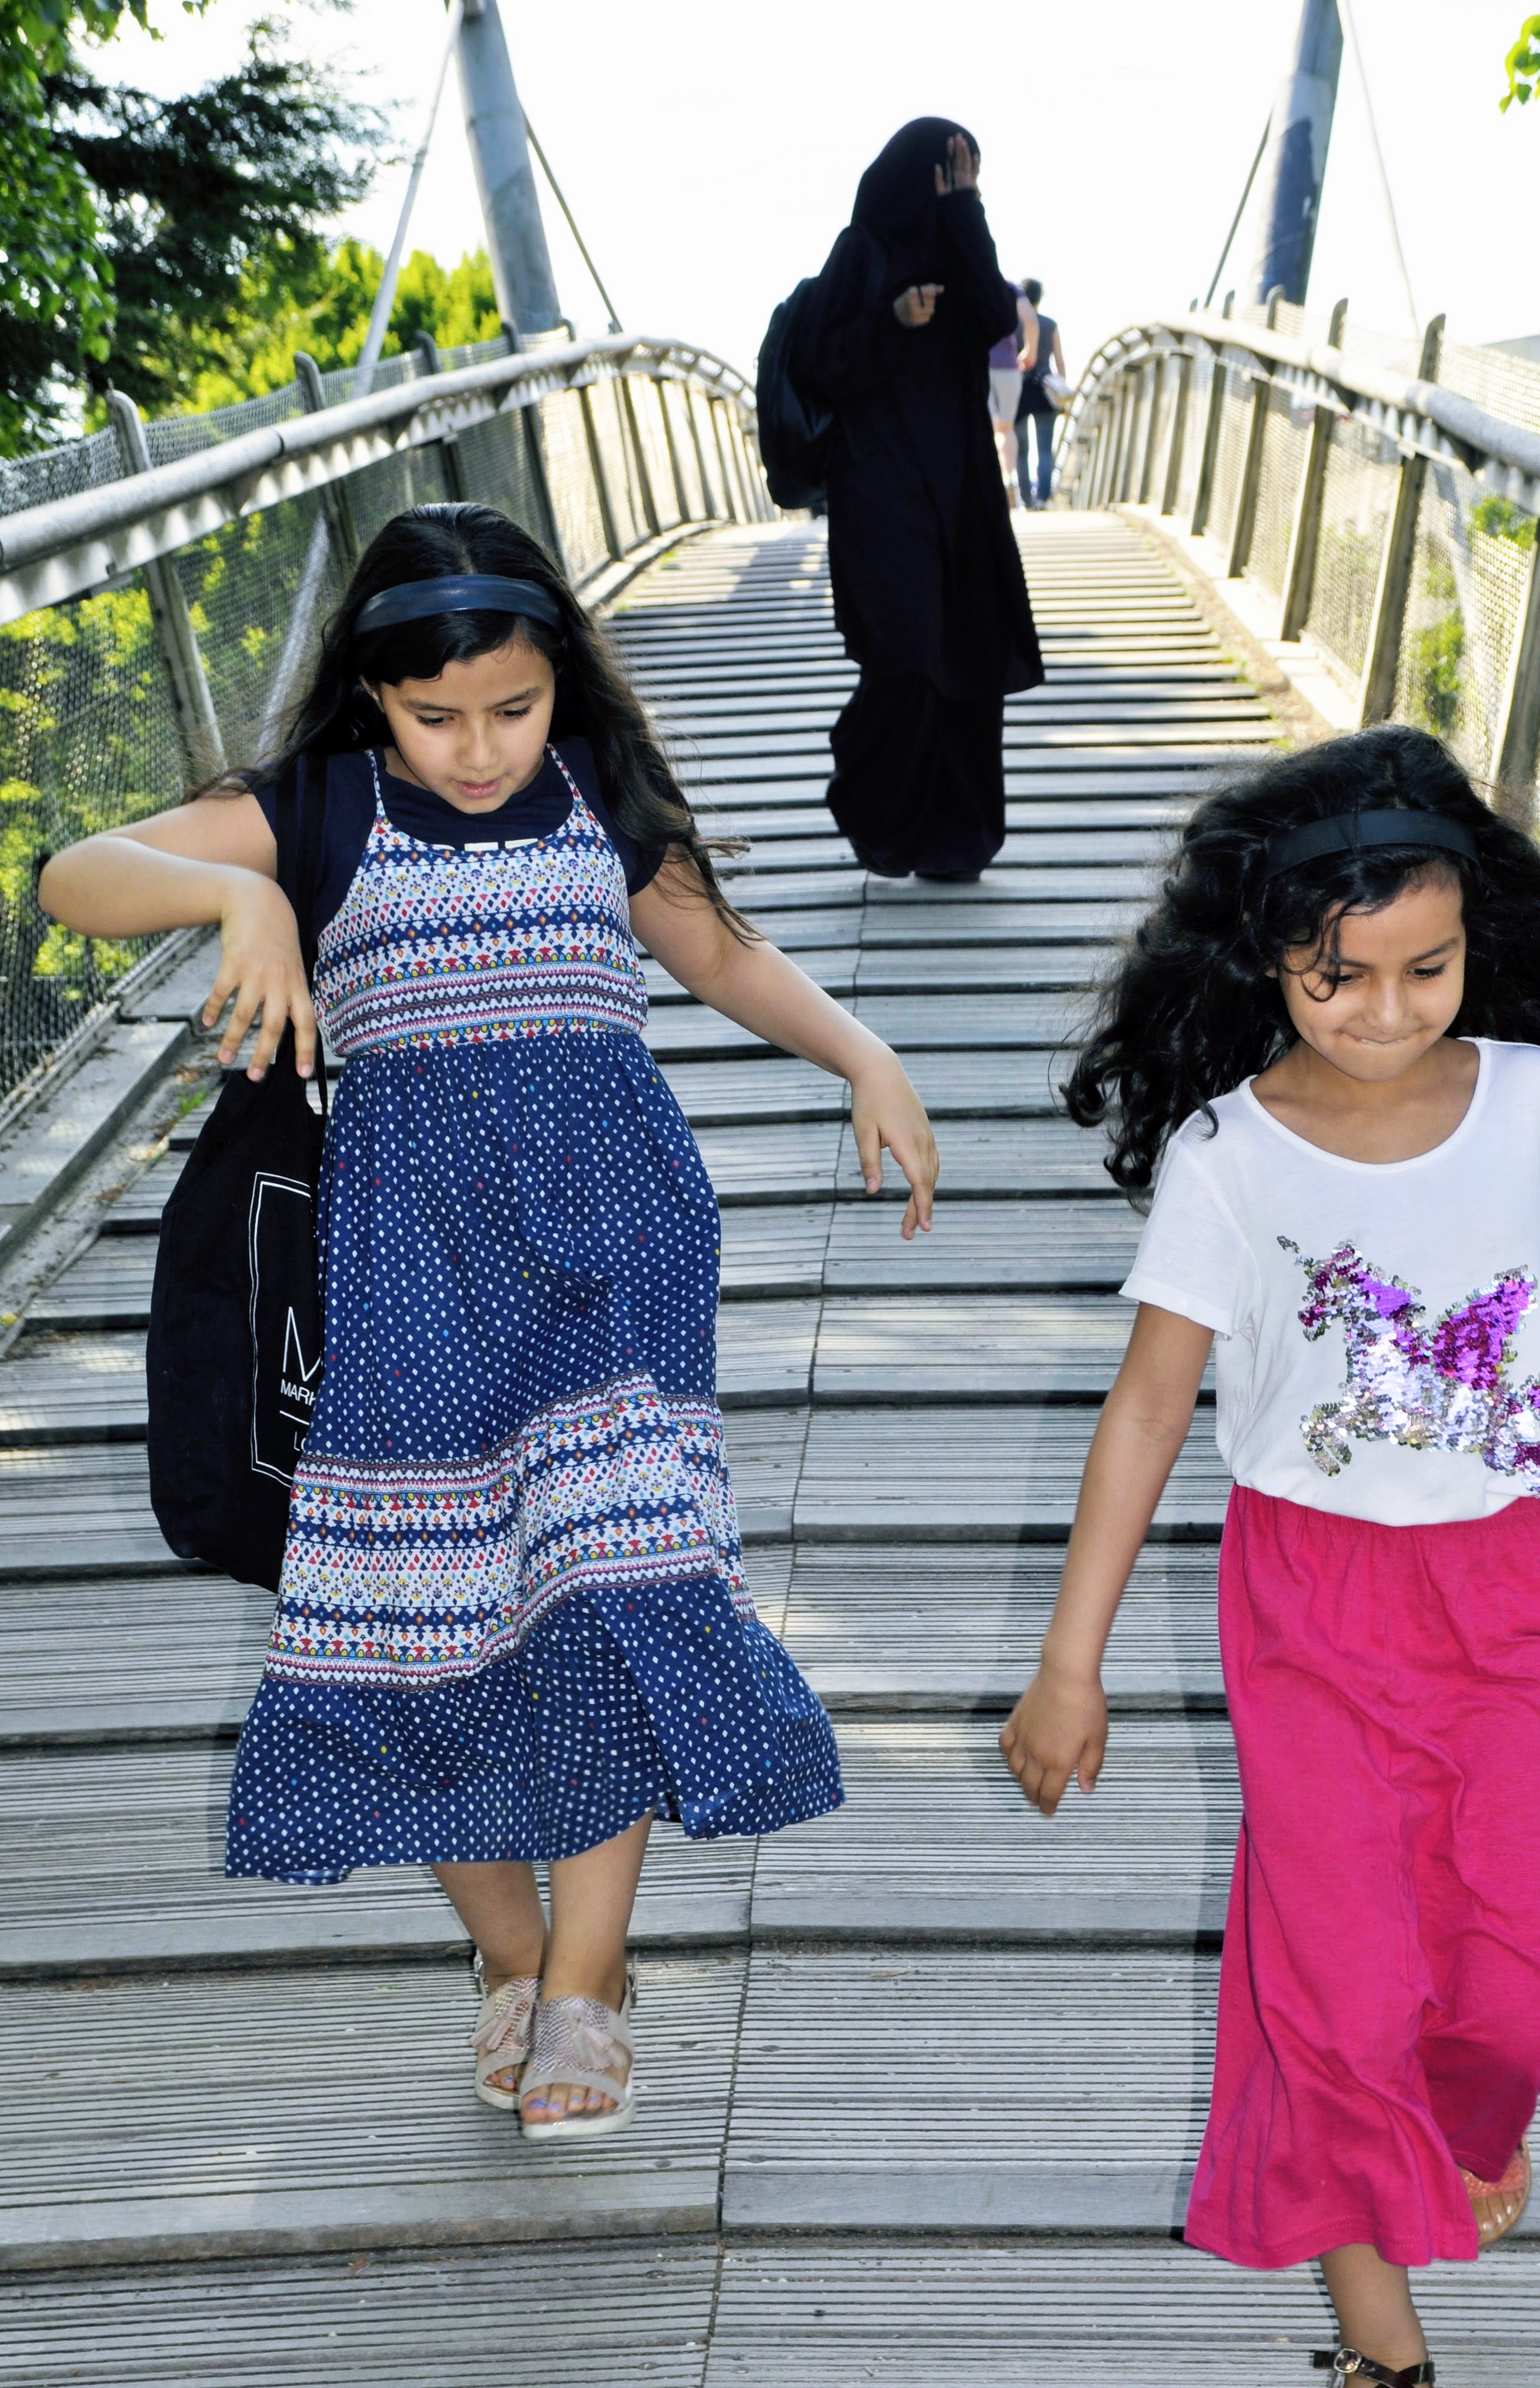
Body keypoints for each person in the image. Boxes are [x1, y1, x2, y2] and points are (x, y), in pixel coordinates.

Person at [39, 500, 940, 2139]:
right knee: (428, 1622)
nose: (476, 747)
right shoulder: (319, 808)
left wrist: (864, 1054)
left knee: (620, 1580)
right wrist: (235, 901)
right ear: (372, 698)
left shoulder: (600, 794)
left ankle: (587, 1986)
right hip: (405, 1283)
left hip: (614, 1261)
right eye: (433, 715)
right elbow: (71, 873)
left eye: (510, 709)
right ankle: (513, 1962)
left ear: (560, 684)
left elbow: (724, 959)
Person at [999, 723, 1540, 2383]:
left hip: (1512, 1585)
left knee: (1528, 1981)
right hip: (1310, 1601)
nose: (1384, 1014)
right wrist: (1066, 1664)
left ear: (1477, 944)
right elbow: (1152, 1411)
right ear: (1266, 965)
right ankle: (1386, 2343)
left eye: (1425, 970)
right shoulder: (1229, 1157)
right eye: (1338, 981)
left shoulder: (1528, 1102)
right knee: (1346, 1981)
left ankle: (1474, 2121)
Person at [789, 116, 1042, 884]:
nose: (957, 186)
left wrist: (969, 214)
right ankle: (872, 804)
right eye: (947, 173)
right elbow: (821, 366)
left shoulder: (961, 255)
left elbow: (1000, 323)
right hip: (882, 503)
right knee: (905, 660)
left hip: (961, 502)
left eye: (967, 176)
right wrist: (892, 324)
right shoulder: (860, 252)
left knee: (963, 660)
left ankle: (954, 840)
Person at [1015, 278, 1065, 509]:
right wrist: (1062, 391)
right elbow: (1059, 361)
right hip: (1045, 390)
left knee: (1021, 450)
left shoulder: (1012, 324)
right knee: (1045, 448)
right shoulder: (1050, 324)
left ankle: (1026, 499)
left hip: (1019, 391)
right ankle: (1043, 498)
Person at [988, 279, 1038, 505]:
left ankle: (989, 484)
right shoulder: (1009, 288)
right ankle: (1007, 478)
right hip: (1009, 367)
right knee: (1006, 428)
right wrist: (1030, 351)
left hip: (976, 367)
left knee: (986, 426)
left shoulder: (964, 280)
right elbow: (1030, 320)